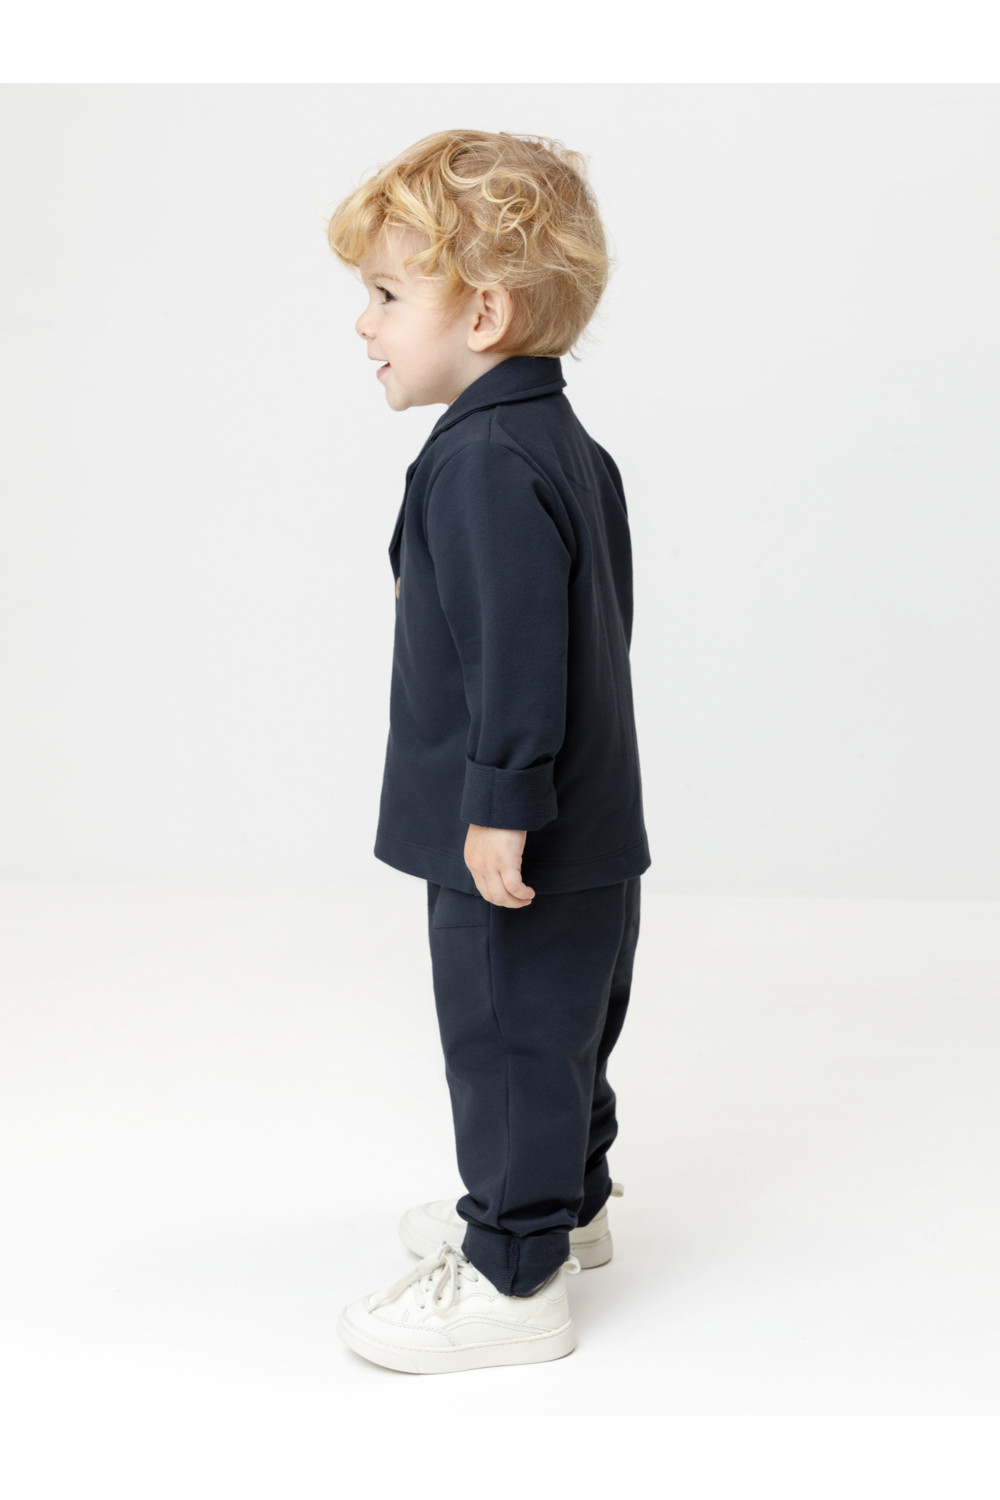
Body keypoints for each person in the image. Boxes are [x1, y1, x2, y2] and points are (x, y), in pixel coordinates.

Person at [325, 129, 651, 1375]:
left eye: (386, 293)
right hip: (595, 828)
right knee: (563, 1033)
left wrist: (502, 803)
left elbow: (518, 651)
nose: (363, 323)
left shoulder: (478, 463)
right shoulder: (562, 443)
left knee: (508, 1038)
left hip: (517, 839)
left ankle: (514, 1272)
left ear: (485, 312)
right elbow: (596, 629)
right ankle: (567, 1206)